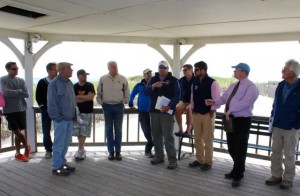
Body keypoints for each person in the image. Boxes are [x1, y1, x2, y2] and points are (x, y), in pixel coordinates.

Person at [205, 63, 259, 188]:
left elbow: (246, 103)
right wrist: (214, 101)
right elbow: (224, 98)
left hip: (241, 120)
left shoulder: (251, 87)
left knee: (240, 147)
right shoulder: (234, 85)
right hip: (230, 119)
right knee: (231, 146)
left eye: (236, 70)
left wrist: (230, 111)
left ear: (243, 72)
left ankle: (238, 174)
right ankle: (237, 168)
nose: (234, 72)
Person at [265, 59, 300, 190]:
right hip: (278, 125)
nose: (282, 71)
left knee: (289, 154)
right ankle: (276, 175)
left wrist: (296, 125)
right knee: (275, 152)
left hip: (291, 128)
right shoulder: (280, 85)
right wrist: (273, 116)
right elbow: (275, 104)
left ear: (293, 72)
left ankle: (288, 179)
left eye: (285, 69)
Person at [144, 60, 180, 170]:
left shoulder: (174, 80)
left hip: (167, 112)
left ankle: (172, 160)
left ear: (167, 69)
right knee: (156, 135)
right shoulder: (153, 79)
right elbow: (145, 92)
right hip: (154, 112)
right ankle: (159, 157)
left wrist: (169, 106)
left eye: (164, 67)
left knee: (168, 137)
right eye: (160, 67)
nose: (162, 69)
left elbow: (177, 95)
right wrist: (153, 86)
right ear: (158, 69)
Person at [188, 61, 220, 171]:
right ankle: (199, 159)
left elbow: (217, 100)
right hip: (196, 114)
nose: (194, 71)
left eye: (196, 69)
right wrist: (192, 110)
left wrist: (211, 112)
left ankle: (208, 162)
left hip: (207, 114)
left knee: (208, 139)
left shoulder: (213, 83)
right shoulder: (194, 83)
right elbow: (192, 98)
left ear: (203, 70)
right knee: (197, 139)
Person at [97, 61, 130, 161]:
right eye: (112, 67)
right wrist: (100, 101)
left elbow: (127, 91)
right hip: (106, 106)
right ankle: (111, 152)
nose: (115, 68)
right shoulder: (102, 79)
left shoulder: (123, 79)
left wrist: (125, 100)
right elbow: (99, 92)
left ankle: (118, 152)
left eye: (116, 66)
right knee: (108, 129)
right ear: (108, 68)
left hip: (119, 106)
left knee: (118, 129)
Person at [47, 62, 76, 176]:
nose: (72, 70)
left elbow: (72, 100)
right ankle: (56, 167)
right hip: (61, 120)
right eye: (69, 68)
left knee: (65, 144)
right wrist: (57, 117)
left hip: (69, 119)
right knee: (59, 144)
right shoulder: (54, 84)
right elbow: (51, 102)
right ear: (63, 70)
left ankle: (62, 163)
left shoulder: (69, 83)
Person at [0, 62, 31, 162]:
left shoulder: (21, 80)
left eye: (17, 68)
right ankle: (27, 146)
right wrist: (19, 91)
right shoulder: (3, 80)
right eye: (14, 69)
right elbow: (6, 93)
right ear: (8, 69)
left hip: (21, 109)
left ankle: (18, 152)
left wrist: (15, 92)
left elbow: (27, 94)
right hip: (9, 110)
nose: (16, 70)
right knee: (16, 131)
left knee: (19, 132)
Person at [129, 68, 154, 158]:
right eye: (147, 73)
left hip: (153, 112)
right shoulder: (139, 85)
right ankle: (153, 146)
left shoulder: (155, 84)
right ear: (144, 75)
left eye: (150, 73)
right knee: (146, 131)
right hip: (142, 112)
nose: (149, 75)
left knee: (154, 132)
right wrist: (130, 103)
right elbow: (132, 94)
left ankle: (148, 150)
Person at [36, 62, 57, 158]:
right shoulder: (42, 82)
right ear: (48, 71)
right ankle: (48, 149)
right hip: (46, 110)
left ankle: (57, 149)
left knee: (59, 130)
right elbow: (38, 96)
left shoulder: (59, 82)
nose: (56, 71)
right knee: (46, 130)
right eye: (54, 69)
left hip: (58, 110)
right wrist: (43, 107)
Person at [73, 69, 95, 160]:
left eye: (86, 75)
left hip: (87, 111)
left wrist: (79, 97)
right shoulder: (74, 86)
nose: (85, 76)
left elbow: (90, 97)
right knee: (78, 131)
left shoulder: (89, 85)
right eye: (83, 75)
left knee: (84, 131)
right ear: (78, 76)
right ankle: (81, 149)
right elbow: (73, 99)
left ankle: (80, 149)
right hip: (77, 112)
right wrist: (84, 98)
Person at [174, 64, 195, 136]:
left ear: (191, 70)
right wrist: (179, 100)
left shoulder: (196, 80)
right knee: (177, 108)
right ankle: (180, 129)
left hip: (193, 102)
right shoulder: (181, 80)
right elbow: (177, 91)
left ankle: (188, 130)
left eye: (185, 70)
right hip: (183, 101)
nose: (184, 71)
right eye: (183, 70)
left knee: (189, 109)